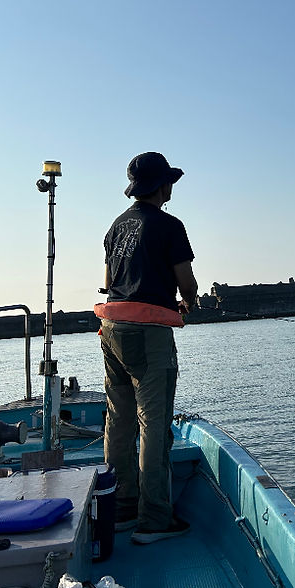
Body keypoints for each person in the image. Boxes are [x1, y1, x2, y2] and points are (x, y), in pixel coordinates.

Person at [95, 152, 198, 545]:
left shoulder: (116, 226)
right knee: (153, 424)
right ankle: (154, 519)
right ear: (162, 186)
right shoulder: (170, 225)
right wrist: (188, 302)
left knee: (118, 419)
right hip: (149, 334)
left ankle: (121, 507)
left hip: (111, 330)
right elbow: (185, 283)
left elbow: (108, 281)